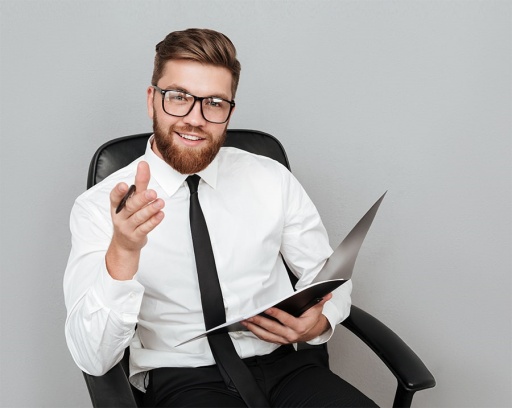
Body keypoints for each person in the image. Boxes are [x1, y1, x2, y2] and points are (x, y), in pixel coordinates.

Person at [64, 28, 377, 407]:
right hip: (184, 379)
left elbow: (328, 276)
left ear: (229, 111)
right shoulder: (99, 206)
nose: (195, 119)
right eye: (178, 98)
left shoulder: (271, 177)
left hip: (284, 367)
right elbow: (92, 357)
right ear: (152, 100)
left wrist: (320, 320)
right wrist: (124, 251)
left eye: (214, 102)